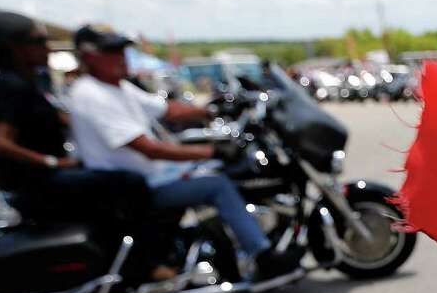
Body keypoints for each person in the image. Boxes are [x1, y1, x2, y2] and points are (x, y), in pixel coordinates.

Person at [65, 25, 299, 279]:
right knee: (217, 184)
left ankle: (219, 246)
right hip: (139, 186)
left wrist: (214, 109)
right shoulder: (93, 95)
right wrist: (213, 151)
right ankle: (262, 255)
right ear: (89, 56)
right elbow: (149, 149)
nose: (121, 57)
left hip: (152, 177)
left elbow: (166, 109)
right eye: (111, 51)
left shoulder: (117, 87)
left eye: (122, 50)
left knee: (221, 173)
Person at [0, 12, 176, 281]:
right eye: (38, 41)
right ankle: (146, 264)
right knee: (131, 183)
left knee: (116, 185)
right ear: (14, 47)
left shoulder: (25, 83)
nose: (46, 48)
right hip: (41, 184)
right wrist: (53, 162)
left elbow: (50, 118)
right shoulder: (10, 85)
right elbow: (2, 142)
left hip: (47, 179)